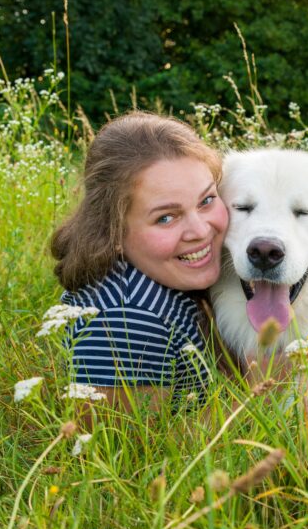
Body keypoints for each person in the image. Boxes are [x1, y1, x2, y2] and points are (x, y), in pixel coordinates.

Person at [51, 111, 229, 416]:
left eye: (206, 200)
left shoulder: (165, 276)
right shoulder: (126, 322)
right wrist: (270, 389)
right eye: (165, 217)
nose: (200, 231)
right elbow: (131, 455)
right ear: (114, 230)